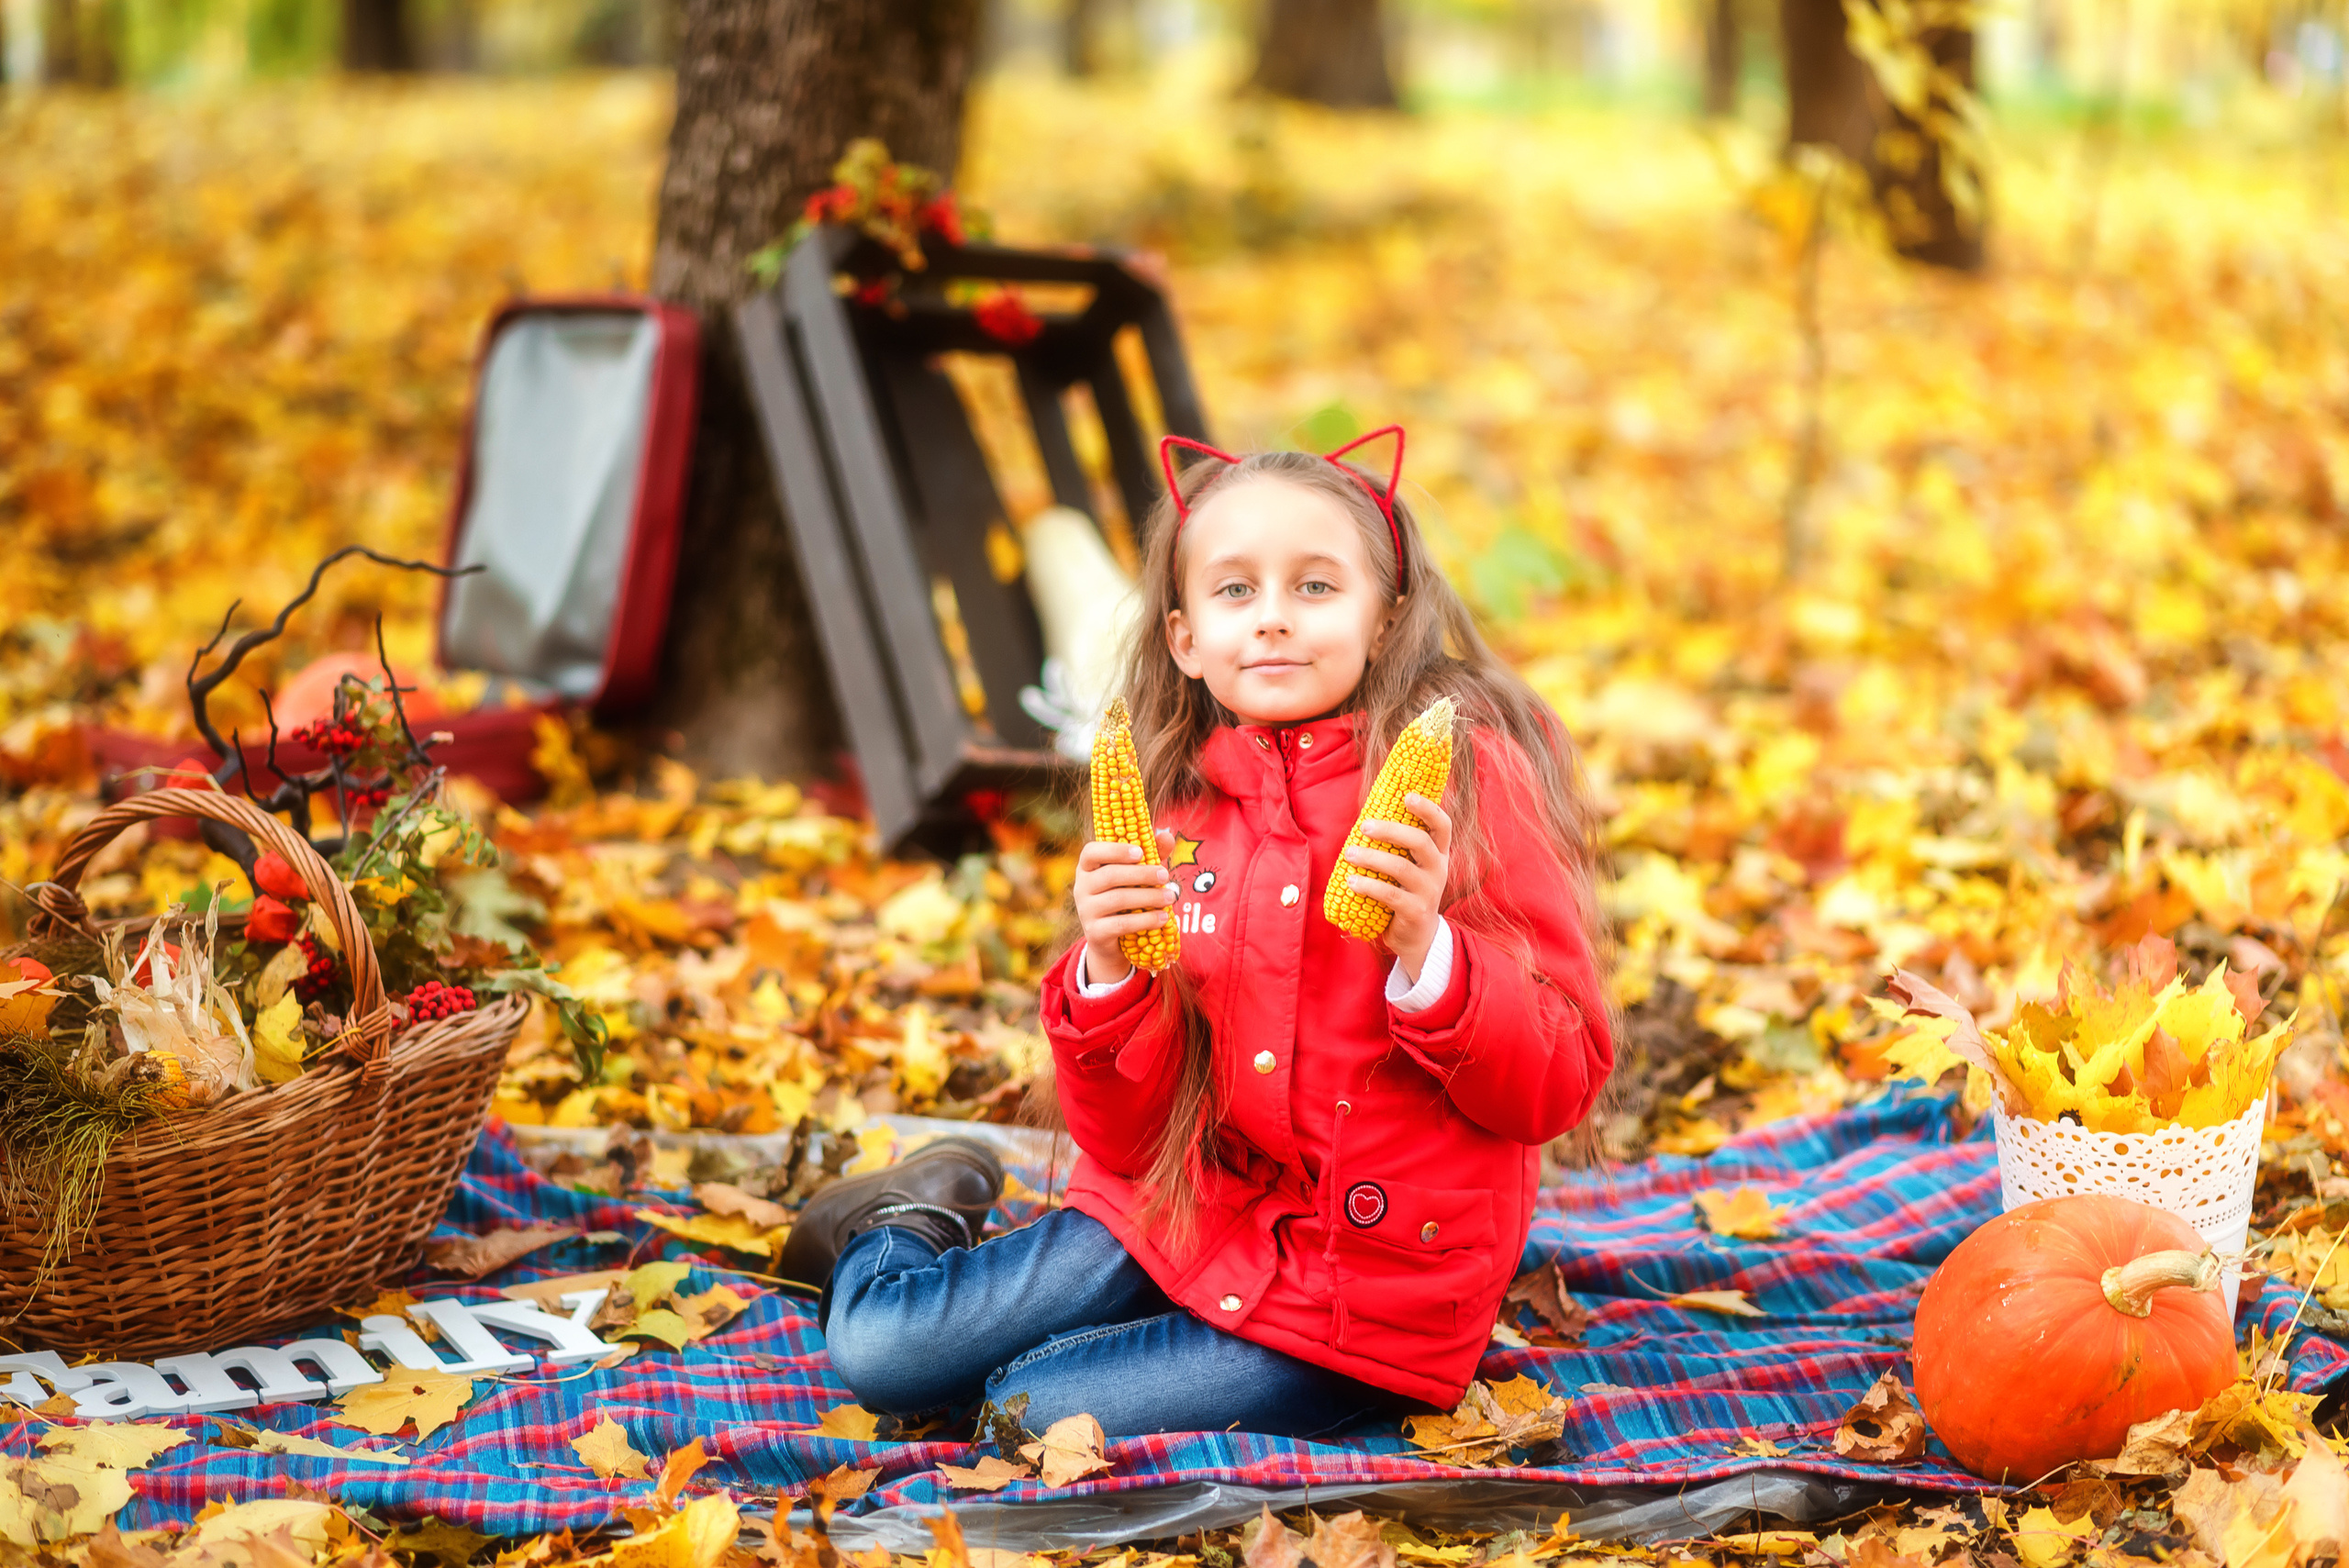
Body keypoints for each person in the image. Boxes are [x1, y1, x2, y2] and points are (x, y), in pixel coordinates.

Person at [776, 428, 1614, 1440]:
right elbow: (1124, 1136)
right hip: (1184, 1209)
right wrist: (1106, 974)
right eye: (1233, 591)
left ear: (1388, 620)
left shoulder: (1471, 785)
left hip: (1361, 1295)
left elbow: (1557, 1079)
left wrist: (1429, 954)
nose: (1270, 619)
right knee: (881, 1353)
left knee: (1026, 1414)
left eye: (1314, 587)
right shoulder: (1174, 804)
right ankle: (905, 1214)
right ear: (1181, 635)